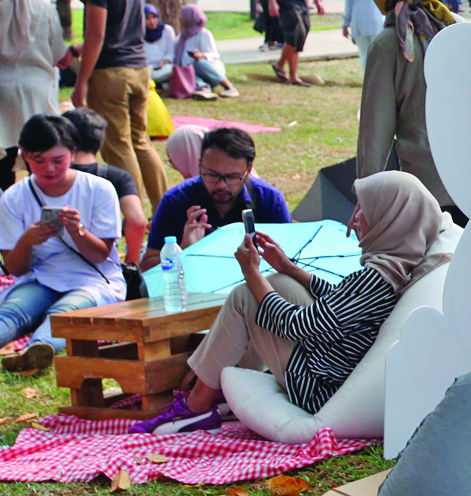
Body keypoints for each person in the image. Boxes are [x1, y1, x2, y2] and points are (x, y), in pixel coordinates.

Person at [133, 171, 447, 435]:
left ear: (389, 218)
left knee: (246, 296)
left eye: (365, 209)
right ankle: (220, 387)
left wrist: (252, 273)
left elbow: (297, 326)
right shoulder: (395, 265)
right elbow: (343, 303)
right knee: (280, 283)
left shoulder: (376, 278)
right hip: (332, 368)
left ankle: (197, 404)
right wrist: (288, 268)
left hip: (317, 385)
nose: (355, 217)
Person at [0, 113, 123, 372]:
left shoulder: (99, 189)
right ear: (23, 155)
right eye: (38, 160)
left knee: (64, 313)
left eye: (59, 160)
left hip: (93, 279)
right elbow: (15, 268)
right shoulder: (13, 197)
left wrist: (77, 231)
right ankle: (32, 350)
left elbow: (101, 255)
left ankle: (38, 349)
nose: (50, 169)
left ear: (73, 153)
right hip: (40, 278)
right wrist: (27, 241)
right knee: (13, 312)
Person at [68, 0, 168, 209]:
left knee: (117, 146)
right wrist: (75, 49)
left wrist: (80, 83)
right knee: (141, 142)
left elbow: (97, 35)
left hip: (111, 74)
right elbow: (117, 30)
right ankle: (163, 208)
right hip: (139, 69)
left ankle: (131, 212)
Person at [358, 0, 461, 216]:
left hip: (425, 188)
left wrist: (367, 195)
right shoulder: (455, 26)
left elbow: (375, 128)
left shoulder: (387, 45)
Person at [141, 126, 292, 269]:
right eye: (212, 175)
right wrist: (183, 251)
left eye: (232, 177)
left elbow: (291, 257)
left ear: (249, 170)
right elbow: (146, 269)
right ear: (200, 166)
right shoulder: (176, 200)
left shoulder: (269, 199)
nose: (222, 185)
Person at [62, 106, 148, 277]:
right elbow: (137, 221)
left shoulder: (48, 176)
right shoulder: (116, 177)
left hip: (54, 263)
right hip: (101, 265)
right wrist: (131, 262)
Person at [0, 0, 61, 190]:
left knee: (4, 156)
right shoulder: (44, 9)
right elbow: (58, 54)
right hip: (37, 91)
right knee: (40, 155)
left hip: (2, 93)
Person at [340, 0, 385, 73]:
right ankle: (379, 78)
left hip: (359, 27)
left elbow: (348, 9)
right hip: (377, 25)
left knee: (364, 54)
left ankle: (367, 79)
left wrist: (345, 25)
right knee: (379, 54)